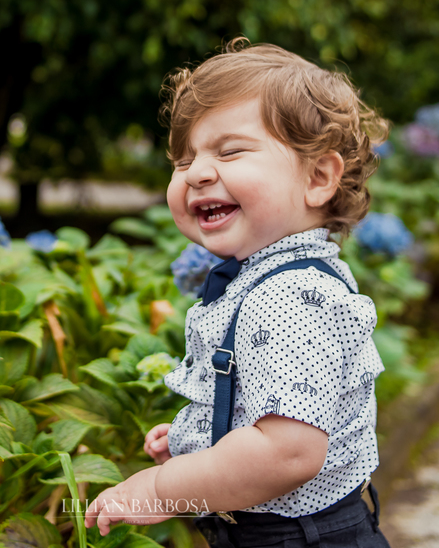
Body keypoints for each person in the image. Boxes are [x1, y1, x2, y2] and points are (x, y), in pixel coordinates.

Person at [84, 39, 392, 548]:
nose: (199, 172)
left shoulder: (290, 297)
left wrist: (164, 491)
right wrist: (201, 441)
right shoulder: (276, 275)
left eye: (229, 151)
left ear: (318, 178)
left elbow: (288, 452)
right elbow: (272, 412)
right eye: (183, 160)